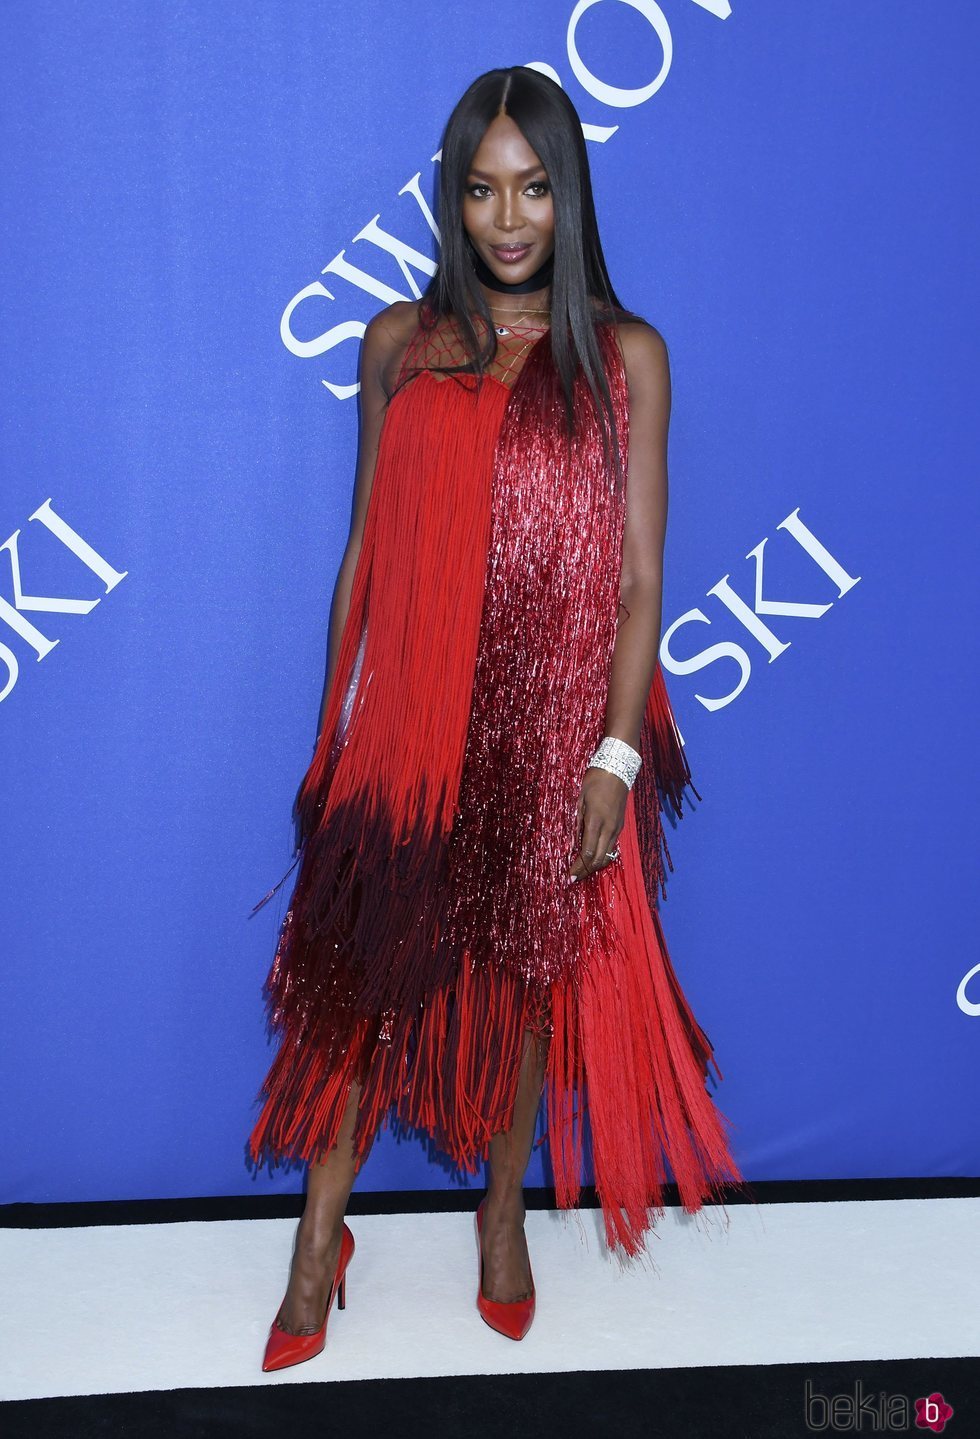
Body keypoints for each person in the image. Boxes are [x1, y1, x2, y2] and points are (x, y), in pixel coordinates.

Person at [248, 65, 750, 1370]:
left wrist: (619, 751)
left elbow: (642, 577)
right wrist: (335, 738)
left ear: (569, 192)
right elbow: (364, 557)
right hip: (407, 731)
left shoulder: (625, 356)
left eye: (533, 187)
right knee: (364, 986)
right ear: (452, 201)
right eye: (482, 189)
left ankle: (503, 1213)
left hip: (556, 733)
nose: (508, 217)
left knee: (528, 985)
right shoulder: (396, 346)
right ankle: (319, 1239)